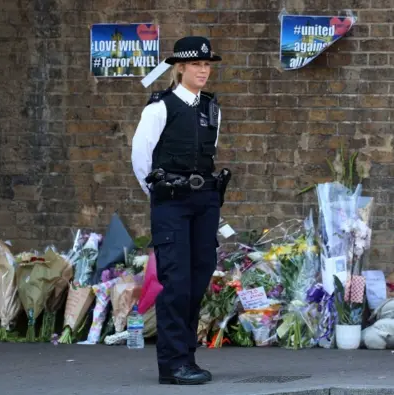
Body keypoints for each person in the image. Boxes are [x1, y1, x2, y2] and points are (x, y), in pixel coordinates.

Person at [131, 36, 231, 385]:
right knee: (176, 284)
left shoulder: (211, 109)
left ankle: (186, 357)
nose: (204, 70)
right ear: (180, 68)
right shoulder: (159, 107)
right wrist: (160, 194)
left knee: (198, 279)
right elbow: (141, 158)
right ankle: (172, 365)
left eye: (207, 65)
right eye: (196, 65)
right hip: (171, 201)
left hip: (204, 203)